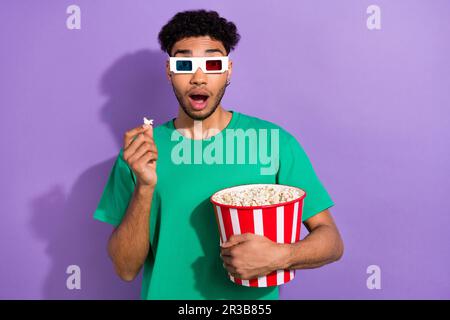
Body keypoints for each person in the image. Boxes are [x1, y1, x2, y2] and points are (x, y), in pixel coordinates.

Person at [94, 9, 344, 300]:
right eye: (185, 63)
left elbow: (332, 242)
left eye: (213, 63)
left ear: (228, 70)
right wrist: (145, 187)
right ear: (169, 71)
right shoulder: (140, 152)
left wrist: (281, 256)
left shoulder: (274, 143)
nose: (198, 78)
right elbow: (125, 269)